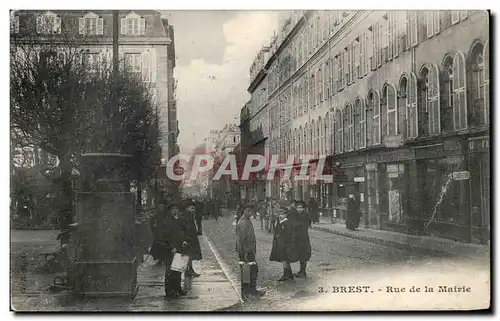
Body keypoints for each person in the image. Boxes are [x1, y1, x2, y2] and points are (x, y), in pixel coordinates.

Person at [158, 201, 189, 299]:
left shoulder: (180, 220)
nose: (175, 211)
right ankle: (170, 290)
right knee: (170, 271)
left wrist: (184, 240)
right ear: (170, 211)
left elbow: (184, 231)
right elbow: (165, 236)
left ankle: (177, 288)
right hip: (171, 250)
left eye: (176, 209)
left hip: (179, 248)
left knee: (178, 270)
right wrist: (171, 247)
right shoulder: (167, 221)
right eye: (173, 209)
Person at [235, 204, 264, 297]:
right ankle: (249, 292)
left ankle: (249, 291)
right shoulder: (243, 222)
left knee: (250, 271)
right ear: (243, 211)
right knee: (249, 271)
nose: (250, 213)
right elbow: (242, 239)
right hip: (246, 250)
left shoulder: (246, 220)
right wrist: (245, 253)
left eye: (251, 211)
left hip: (247, 250)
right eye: (248, 211)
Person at [269, 204, 297, 281]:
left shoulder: (286, 223)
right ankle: (289, 274)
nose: (280, 216)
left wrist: (286, 243)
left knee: (284, 260)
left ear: (286, 215)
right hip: (280, 244)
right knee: (285, 259)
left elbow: (289, 234)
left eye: (282, 214)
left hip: (285, 244)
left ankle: (286, 274)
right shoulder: (280, 222)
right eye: (279, 214)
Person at [291, 201, 313, 278]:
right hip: (299, 238)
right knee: (301, 255)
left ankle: (303, 272)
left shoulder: (304, 216)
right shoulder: (298, 215)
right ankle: (301, 271)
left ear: (304, 208)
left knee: (303, 255)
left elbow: (302, 226)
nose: (299, 209)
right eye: (298, 208)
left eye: (301, 208)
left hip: (303, 238)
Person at [183, 198, 203, 278]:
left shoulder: (190, 215)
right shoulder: (186, 215)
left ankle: (189, 270)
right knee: (185, 255)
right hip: (187, 238)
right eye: (191, 208)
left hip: (191, 237)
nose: (193, 210)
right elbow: (187, 227)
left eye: (194, 208)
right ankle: (186, 271)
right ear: (187, 208)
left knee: (189, 255)